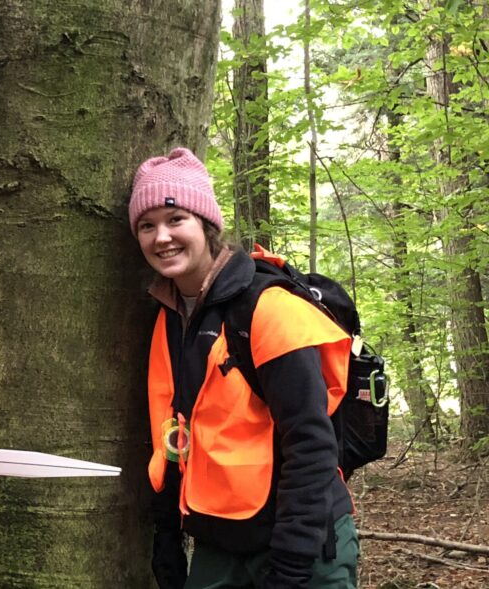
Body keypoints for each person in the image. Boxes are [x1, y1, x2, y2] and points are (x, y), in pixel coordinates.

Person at [130, 148, 359, 588]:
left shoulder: (267, 307)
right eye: (147, 225)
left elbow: (311, 445)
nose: (162, 237)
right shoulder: (170, 317)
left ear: (207, 225)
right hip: (219, 544)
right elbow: (174, 434)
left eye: (176, 219)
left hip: (300, 544)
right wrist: (167, 536)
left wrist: (291, 566)